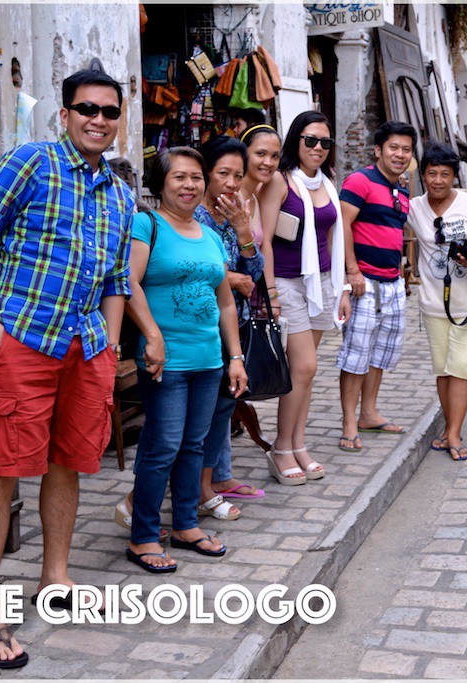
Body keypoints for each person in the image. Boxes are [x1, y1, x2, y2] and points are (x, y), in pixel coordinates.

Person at [0, 65, 134, 669]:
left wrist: (109, 346)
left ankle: (54, 579)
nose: (98, 120)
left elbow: (115, 277)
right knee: (2, 466)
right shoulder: (32, 161)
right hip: (22, 338)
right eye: (88, 109)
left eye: (110, 112)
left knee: (68, 462)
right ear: (65, 114)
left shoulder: (120, 192)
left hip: (84, 347)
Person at [124, 147, 247, 573]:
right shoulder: (147, 225)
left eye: (196, 177)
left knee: (195, 445)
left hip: (208, 360)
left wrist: (234, 357)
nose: (190, 185)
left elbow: (226, 302)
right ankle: (142, 536)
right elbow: (130, 283)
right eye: (180, 177)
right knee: (162, 447)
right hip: (165, 361)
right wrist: (152, 336)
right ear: (160, 183)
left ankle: (185, 525)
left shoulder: (211, 235)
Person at [259, 111, 350, 482]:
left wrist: (341, 287)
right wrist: (269, 293)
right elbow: (263, 237)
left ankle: (298, 443)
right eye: (310, 140)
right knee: (305, 366)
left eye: (325, 143)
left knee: (305, 373)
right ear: (296, 140)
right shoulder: (281, 182)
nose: (318, 148)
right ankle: (281, 447)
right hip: (287, 282)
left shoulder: (327, 184)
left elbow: (332, 237)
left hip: (322, 282)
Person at [407, 144, 467, 460]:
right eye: (431, 173)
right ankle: (449, 429)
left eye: (444, 174)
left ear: (454, 177)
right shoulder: (414, 207)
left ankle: (455, 434)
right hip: (434, 302)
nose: (437, 180)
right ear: (423, 175)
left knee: (462, 367)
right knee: (444, 370)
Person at [193, 135, 264, 516]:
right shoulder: (195, 215)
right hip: (203, 322)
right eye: (224, 173)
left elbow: (255, 274)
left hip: (235, 323)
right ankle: (201, 487)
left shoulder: (230, 216)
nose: (233, 184)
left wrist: (243, 231)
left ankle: (214, 479)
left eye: (238, 175)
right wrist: (229, 277)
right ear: (206, 172)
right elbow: (191, 266)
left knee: (223, 405)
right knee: (207, 410)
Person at [336, 120, 416, 453]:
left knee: (380, 353)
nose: (400, 154)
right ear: (378, 150)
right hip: (363, 282)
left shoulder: (403, 188)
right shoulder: (360, 181)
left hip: (392, 282)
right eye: (393, 148)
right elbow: (342, 226)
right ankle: (349, 423)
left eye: (406, 150)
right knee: (355, 355)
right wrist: (351, 272)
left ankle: (368, 413)